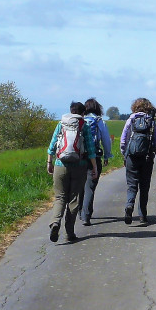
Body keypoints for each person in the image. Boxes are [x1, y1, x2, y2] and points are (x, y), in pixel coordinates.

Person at [47, 101, 98, 243]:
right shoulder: (84, 126)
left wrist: (49, 162)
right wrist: (94, 167)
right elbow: (91, 149)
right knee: (74, 199)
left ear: (70, 111)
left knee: (60, 197)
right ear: (83, 114)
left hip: (60, 164)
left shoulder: (61, 124)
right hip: (79, 165)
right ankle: (69, 233)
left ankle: (55, 222)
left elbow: (52, 146)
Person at [119, 97, 156, 225]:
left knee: (132, 185)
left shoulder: (130, 120)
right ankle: (143, 215)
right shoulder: (151, 121)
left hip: (132, 157)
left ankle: (129, 205)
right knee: (144, 187)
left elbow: (123, 141)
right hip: (147, 158)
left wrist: (125, 154)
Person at [79, 97, 114, 226]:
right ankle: (86, 215)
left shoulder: (80, 121)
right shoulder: (99, 122)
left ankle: (79, 212)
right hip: (94, 156)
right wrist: (107, 156)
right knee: (90, 186)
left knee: (80, 185)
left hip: (79, 157)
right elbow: (106, 140)